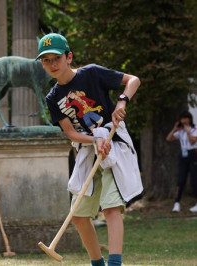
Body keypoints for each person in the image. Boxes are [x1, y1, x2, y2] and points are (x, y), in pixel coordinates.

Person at [39, 33, 142, 266]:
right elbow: (71, 133)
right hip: (87, 149)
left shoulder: (92, 73)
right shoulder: (53, 97)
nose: (52, 64)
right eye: (46, 60)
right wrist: (93, 140)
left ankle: (115, 264)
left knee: (111, 207)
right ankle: (97, 263)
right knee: (78, 215)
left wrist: (122, 101)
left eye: (57, 58)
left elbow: (133, 80)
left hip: (113, 143)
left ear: (69, 57)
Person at [165, 110, 197, 213]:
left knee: (194, 180)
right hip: (183, 156)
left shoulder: (194, 129)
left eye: (185, 118)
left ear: (189, 119)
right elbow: (169, 138)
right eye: (181, 119)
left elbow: (192, 141)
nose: (183, 121)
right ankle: (176, 203)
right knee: (180, 180)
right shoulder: (180, 131)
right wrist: (175, 128)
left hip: (193, 154)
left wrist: (188, 131)